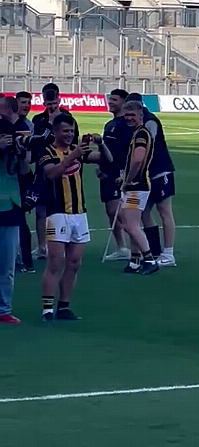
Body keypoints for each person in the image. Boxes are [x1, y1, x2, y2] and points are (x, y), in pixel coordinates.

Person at [38, 114, 112, 321]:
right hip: (58, 213)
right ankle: (47, 308)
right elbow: (51, 173)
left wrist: (101, 143)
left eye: (72, 131)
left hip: (79, 213)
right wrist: (73, 156)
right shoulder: (47, 152)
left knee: (74, 262)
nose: (69, 135)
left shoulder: (76, 151)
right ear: (55, 132)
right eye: (65, 131)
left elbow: (108, 160)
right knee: (55, 261)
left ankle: (64, 306)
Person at [126, 93, 177, 267]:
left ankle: (168, 253)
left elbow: (148, 146)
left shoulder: (149, 123)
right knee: (144, 212)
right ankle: (153, 251)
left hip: (159, 171)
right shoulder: (138, 124)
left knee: (164, 210)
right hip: (147, 174)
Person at [31, 84, 79, 260]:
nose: (51, 106)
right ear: (43, 101)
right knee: (40, 209)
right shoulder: (38, 120)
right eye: (47, 103)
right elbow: (35, 143)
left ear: (59, 100)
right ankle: (42, 246)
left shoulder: (67, 118)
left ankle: (64, 244)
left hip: (65, 169)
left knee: (63, 205)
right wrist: (49, 126)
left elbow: (73, 142)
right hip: (44, 167)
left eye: (53, 103)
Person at [117, 100, 159, 275]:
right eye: (126, 115)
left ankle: (149, 259)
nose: (128, 118)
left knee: (130, 225)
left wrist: (127, 180)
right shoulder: (139, 133)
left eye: (132, 115)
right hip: (139, 184)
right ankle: (135, 261)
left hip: (137, 185)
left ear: (141, 115)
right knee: (132, 224)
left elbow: (138, 159)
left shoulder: (141, 134)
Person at [99, 89, 132, 261]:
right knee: (111, 212)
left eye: (114, 99)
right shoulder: (109, 125)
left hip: (119, 173)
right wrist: (101, 167)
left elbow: (125, 152)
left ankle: (140, 244)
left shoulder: (125, 125)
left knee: (118, 211)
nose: (110, 102)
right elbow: (106, 152)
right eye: (110, 98)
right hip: (107, 173)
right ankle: (122, 247)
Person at [0, 118, 24, 323]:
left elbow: (26, 173)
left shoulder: (13, 153)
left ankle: (4, 309)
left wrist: (21, 153)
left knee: (7, 266)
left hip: (11, 209)